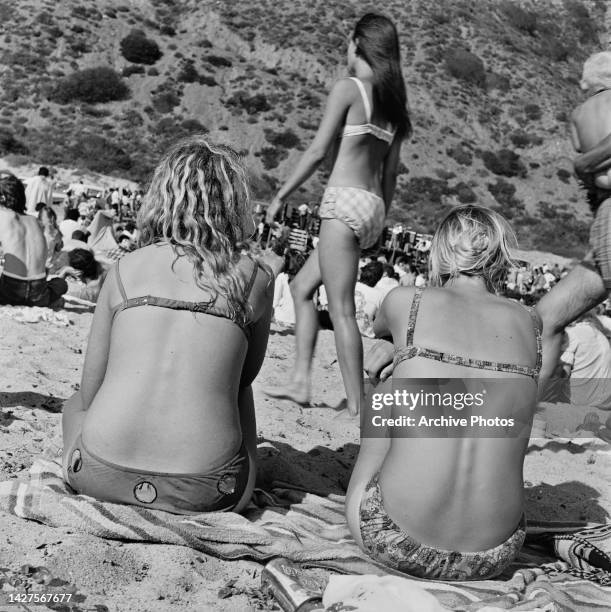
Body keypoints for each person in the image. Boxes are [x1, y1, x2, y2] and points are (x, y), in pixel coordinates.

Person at [62, 137, 274, 514]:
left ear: (162, 195)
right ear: (235, 203)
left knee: (74, 402)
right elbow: (247, 376)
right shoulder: (254, 277)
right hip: (211, 489)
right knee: (240, 389)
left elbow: (91, 392)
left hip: (96, 473)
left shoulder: (126, 268)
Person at [346, 205, 541, 580]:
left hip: (392, 537)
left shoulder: (408, 301)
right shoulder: (531, 321)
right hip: (496, 552)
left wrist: (400, 347)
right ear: (500, 257)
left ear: (440, 252)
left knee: (390, 384)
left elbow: (379, 329)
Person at [264, 13, 411, 414]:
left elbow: (315, 151)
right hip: (372, 206)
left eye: (349, 43)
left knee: (342, 308)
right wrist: (381, 223)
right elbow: (391, 173)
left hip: (343, 201)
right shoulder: (393, 107)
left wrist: (282, 194)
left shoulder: (350, 89)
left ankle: (358, 406)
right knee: (300, 289)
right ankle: (299, 380)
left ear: (359, 44)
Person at [537, 52, 611, 383]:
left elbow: (584, 170)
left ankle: (526, 412)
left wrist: (584, 166)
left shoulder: (579, 116)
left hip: (604, 218)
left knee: (546, 317)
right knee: (550, 314)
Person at [0, 172, 67, 307]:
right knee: (61, 284)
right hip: (38, 293)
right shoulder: (34, 220)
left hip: (9, 291)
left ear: (2, 197)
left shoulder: (2, 215)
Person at [37, 205, 63, 270]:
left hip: (49, 267)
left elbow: (58, 249)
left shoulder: (56, 233)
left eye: (51, 216)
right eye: (48, 216)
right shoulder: (37, 232)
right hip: (38, 266)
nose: (50, 218)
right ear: (41, 219)